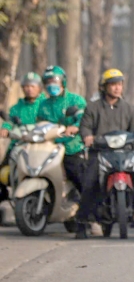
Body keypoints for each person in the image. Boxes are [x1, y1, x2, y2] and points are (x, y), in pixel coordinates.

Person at [76, 69, 134, 239]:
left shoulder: (129, 109)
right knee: (89, 182)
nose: (117, 88)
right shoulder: (93, 107)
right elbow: (85, 126)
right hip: (100, 153)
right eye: (113, 84)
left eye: (119, 84)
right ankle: (82, 222)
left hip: (125, 153)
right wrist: (87, 136)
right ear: (104, 87)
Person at [36, 66, 88, 217]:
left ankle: (90, 214)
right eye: (48, 81)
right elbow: (39, 124)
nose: (51, 84)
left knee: (77, 174)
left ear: (63, 82)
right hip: (49, 145)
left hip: (71, 145)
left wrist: (74, 127)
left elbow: (82, 118)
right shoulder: (43, 104)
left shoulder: (75, 100)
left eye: (55, 81)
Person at [1, 72, 46, 138]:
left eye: (33, 86)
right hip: (21, 140)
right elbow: (10, 121)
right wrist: (5, 128)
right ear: (22, 88)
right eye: (27, 86)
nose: (30, 89)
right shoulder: (16, 108)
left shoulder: (46, 105)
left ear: (39, 88)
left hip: (43, 139)